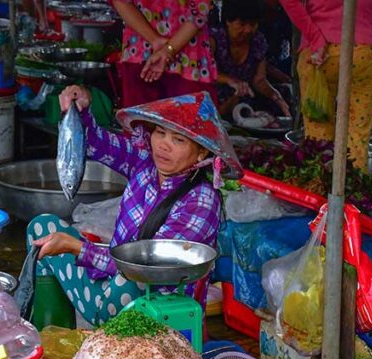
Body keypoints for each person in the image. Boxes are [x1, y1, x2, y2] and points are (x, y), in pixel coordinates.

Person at [27, 87, 241, 326]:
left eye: (178, 139)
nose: (163, 145)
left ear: (202, 153)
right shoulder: (145, 163)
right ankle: (55, 335)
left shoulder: (201, 200)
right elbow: (96, 144)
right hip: (114, 275)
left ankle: (101, 323)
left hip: (157, 306)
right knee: (42, 229)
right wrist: (81, 109)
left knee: (128, 279)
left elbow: (152, 267)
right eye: (160, 132)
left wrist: (78, 248)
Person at [280, 0, 372, 172]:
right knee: (357, 132)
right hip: (361, 52)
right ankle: (354, 188)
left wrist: (314, 35)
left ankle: (320, 189)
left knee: (319, 131)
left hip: (319, 53)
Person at [113, 0, 217, 107]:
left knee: (141, 120)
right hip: (188, 59)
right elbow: (199, 10)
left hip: (141, 52)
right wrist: (167, 49)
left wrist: (157, 42)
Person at [210, 0, 291, 119]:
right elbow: (206, 72)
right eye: (242, 24)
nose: (248, 30)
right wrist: (231, 81)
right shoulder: (214, 39)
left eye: (253, 24)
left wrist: (276, 97)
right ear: (228, 21)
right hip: (216, 99)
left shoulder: (258, 41)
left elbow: (259, 80)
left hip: (244, 102)